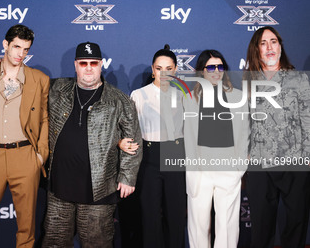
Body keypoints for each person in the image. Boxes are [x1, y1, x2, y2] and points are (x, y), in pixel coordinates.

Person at [41, 42, 142, 247]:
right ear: (75, 65)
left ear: (101, 64)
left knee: (97, 243)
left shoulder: (119, 100)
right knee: (54, 242)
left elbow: (133, 141)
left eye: (93, 63)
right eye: (83, 63)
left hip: (99, 190)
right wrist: (1, 66)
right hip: (59, 188)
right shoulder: (57, 88)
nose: (88, 67)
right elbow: (26, 81)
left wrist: (128, 177)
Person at [0, 24, 49, 247]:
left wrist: (40, 156)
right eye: (16, 47)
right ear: (5, 44)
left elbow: (44, 119)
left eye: (25, 49)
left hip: (25, 157)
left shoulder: (39, 79)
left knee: (26, 224)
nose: (20, 54)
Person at [244, 26, 310, 248]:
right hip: (260, 164)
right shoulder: (249, 83)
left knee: (296, 222)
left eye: (274, 41)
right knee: (261, 226)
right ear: (257, 49)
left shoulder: (299, 80)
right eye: (263, 43)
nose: (269, 47)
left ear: (280, 46)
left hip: (294, 162)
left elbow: (307, 120)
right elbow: (244, 124)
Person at [183, 50, 249, 248]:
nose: (216, 71)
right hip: (200, 169)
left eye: (220, 67)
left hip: (229, 167)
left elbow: (244, 133)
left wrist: (239, 167)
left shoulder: (238, 97)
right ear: (202, 71)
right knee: (198, 225)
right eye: (211, 67)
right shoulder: (189, 98)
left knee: (227, 225)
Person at [129, 44, 186, 248]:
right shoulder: (138, 95)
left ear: (175, 70)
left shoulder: (183, 95)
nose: (164, 73)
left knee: (176, 214)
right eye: (159, 68)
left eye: (168, 68)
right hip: (149, 156)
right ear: (152, 69)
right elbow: (130, 131)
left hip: (176, 153)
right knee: (150, 215)